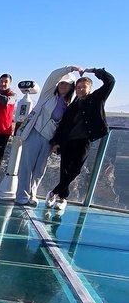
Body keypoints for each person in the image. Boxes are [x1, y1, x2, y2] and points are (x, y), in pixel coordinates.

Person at [47, 67, 115, 214]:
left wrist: (94, 71)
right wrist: (55, 142)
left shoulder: (97, 99)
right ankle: (62, 198)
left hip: (84, 142)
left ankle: (54, 192)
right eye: (78, 87)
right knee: (64, 171)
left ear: (89, 88)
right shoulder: (72, 106)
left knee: (75, 170)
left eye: (84, 87)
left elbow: (110, 81)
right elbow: (63, 126)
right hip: (67, 142)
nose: (80, 90)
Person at [14, 66, 80, 206]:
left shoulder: (70, 104)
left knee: (39, 169)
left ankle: (32, 194)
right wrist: (70, 68)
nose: (63, 86)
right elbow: (52, 76)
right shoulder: (48, 95)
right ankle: (22, 196)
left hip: (50, 140)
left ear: (71, 87)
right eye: (61, 83)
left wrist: (56, 143)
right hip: (34, 133)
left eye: (66, 84)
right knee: (27, 166)